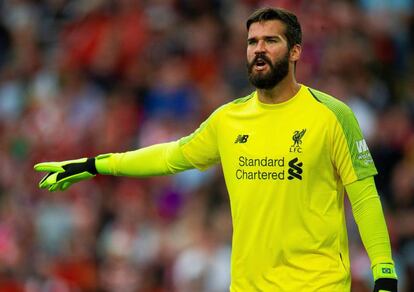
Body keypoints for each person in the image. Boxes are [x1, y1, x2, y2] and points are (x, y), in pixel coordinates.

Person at [34, 7, 398, 292]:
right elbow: (171, 156)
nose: (259, 49)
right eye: (252, 41)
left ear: (295, 51)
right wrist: (98, 164)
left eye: (270, 41)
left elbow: (364, 197)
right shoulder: (229, 119)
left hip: (318, 286)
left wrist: (384, 272)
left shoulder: (332, 115)